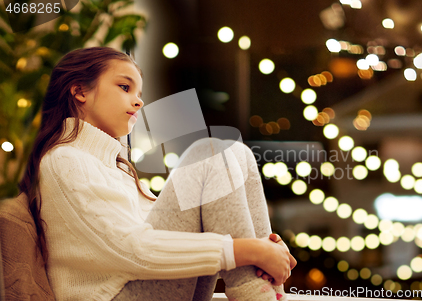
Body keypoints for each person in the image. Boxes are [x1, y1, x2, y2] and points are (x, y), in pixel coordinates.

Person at [18, 46, 296, 301]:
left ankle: (268, 290)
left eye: (139, 94)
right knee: (211, 153)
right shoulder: (64, 160)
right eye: (125, 87)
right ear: (80, 91)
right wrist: (250, 250)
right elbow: (131, 250)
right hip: (114, 295)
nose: (138, 102)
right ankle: (257, 293)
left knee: (238, 154)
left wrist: (263, 250)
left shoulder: (114, 167)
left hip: (145, 286)